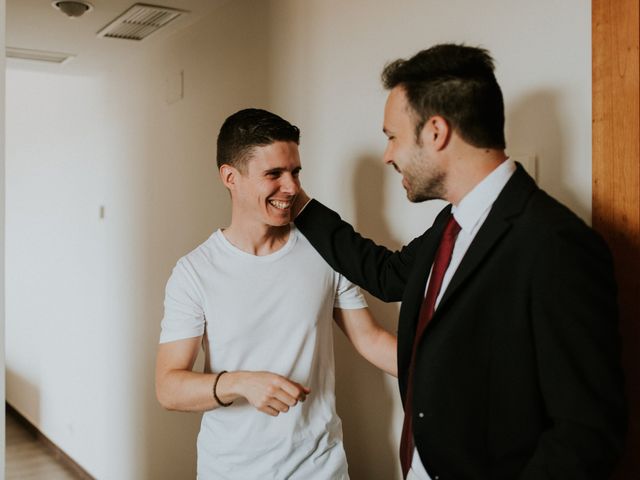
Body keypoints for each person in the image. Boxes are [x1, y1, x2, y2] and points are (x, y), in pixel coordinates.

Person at [293, 44, 626, 479]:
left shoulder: (556, 244)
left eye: (392, 136)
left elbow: (587, 432)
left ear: (436, 132)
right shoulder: (451, 224)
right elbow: (389, 274)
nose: (387, 155)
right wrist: (297, 204)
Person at [155, 108, 397, 479]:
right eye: (274, 174)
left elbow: (372, 341)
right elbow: (169, 386)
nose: (292, 188)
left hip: (321, 467)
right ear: (230, 177)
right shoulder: (194, 272)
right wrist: (239, 382)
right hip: (231, 470)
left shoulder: (324, 252)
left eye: (295, 172)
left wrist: (450, 371)